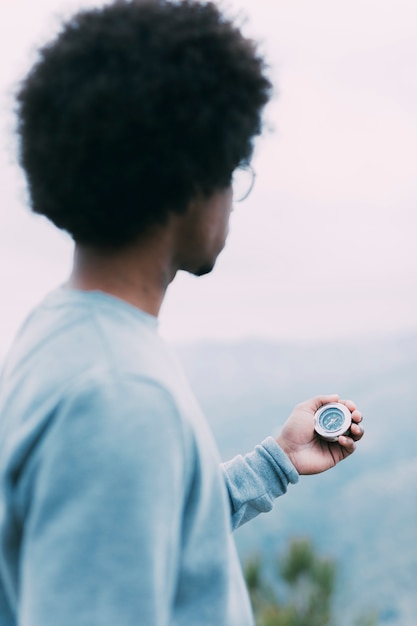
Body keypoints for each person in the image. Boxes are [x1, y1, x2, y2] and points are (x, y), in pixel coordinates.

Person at [0, 1, 364, 625]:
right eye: (232, 169)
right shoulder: (117, 397)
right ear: (190, 183)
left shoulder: (66, 331)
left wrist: (274, 463)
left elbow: (145, 542)